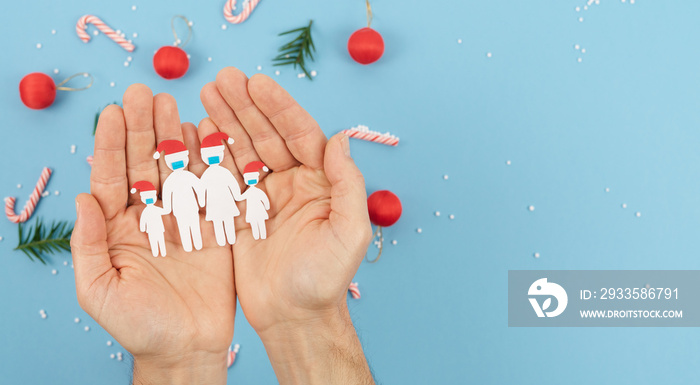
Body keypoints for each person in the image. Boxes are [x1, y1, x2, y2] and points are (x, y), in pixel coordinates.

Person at [71, 67, 375, 385]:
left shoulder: (200, 176)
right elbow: (179, 198)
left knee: (229, 229)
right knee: (191, 233)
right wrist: (174, 360)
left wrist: (307, 316)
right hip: (193, 215)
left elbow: (221, 190)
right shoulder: (180, 179)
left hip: (223, 209)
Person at [154, 139, 206, 252]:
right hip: (180, 210)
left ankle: (197, 244)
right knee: (184, 228)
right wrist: (167, 208)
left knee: (193, 226)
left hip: (191, 208)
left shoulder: (188, 176)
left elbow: (199, 187)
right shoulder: (170, 180)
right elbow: (167, 194)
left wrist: (201, 200)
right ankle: (188, 246)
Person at [199, 132, 242, 246]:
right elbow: (201, 188)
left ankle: (229, 238)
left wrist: (237, 195)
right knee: (219, 222)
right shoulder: (207, 175)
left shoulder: (222, 172)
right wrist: (202, 201)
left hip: (225, 202)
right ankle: (222, 240)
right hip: (215, 204)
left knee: (227, 221)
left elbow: (232, 184)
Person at [131, 180, 167, 257]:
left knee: (161, 240)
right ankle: (156, 252)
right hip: (151, 230)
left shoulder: (155, 209)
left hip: (159, 228)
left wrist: (168, 206)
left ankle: (163, 252)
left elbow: (165, 211)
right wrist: (143, 227)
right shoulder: (145, 211)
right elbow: (143, 220)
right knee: (153, 241)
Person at [240, 161, 271, 240]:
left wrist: (267, 206)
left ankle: (263, 235)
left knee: (260, 223)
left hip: (259, 210)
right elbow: (241, 197)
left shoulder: (257, 191)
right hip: (252, 212)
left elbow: (264, 198)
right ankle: (257, 236)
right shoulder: (249, 192)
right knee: (254, 224)